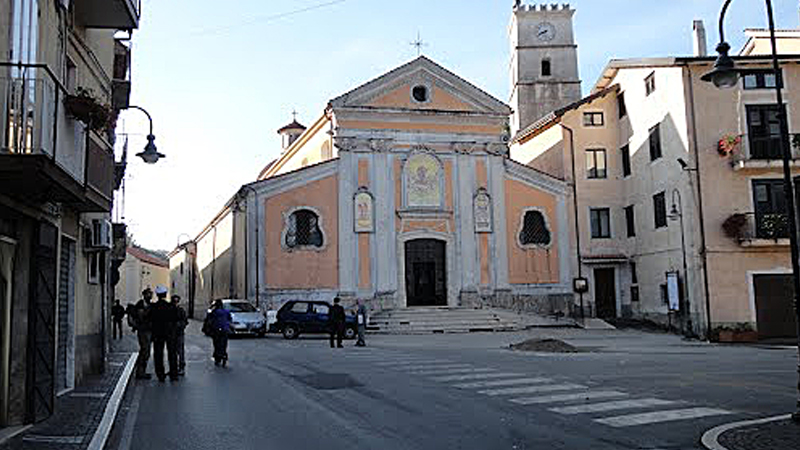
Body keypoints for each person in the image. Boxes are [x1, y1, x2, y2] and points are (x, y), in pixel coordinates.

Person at [150, 285, 179, 382]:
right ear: (165, 294)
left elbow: (150, 320)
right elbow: (176, 319)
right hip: (170, 333)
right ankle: (174, 374)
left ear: (157, 295)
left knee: (158, 354)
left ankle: (160, 375)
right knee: (172, 353)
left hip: (157, 333)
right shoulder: (171, 307)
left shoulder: (153, 307)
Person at [132, 288, 154, 380]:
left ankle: (141, 371)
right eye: (148, 294)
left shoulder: (150, 305)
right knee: (145, 351)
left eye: (151, 294)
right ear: (144, 295)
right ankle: (140, 372)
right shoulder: (140, 304)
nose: (150, 296)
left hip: (149, 330)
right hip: (143, 330)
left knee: (146, 352)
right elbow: (141, 316)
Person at [206, 300, 232, 366]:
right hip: (225, 329)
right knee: (223, 344)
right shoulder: (226, 312)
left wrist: (211, 307)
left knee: (217, 344)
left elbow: (208, 317)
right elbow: (229, 319)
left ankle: (218, 357)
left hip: (216, 329)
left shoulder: (214, 312)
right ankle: (224, 355)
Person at [172, 294, 188, 376]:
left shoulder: (181, 310)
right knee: (174, 352)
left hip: (179, 333)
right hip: (172, 334)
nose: (176, 303)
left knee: (180, 351)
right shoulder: (171, 310)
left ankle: (181, 368)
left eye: (176, 301)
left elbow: (185, 321)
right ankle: (174, 368)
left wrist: (180, 325)